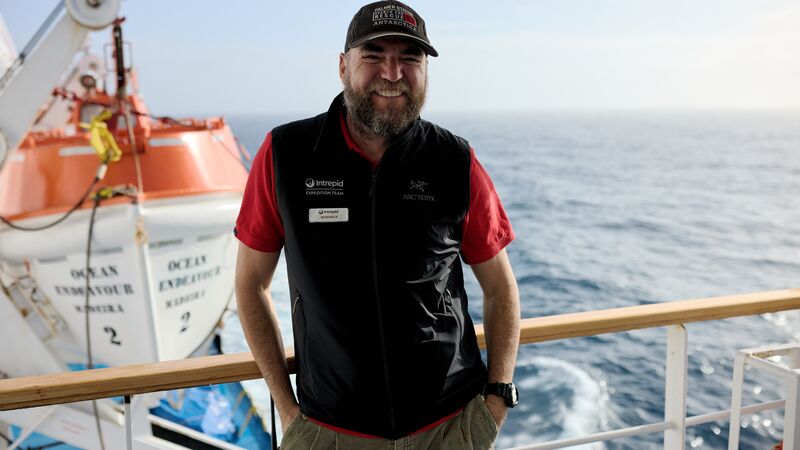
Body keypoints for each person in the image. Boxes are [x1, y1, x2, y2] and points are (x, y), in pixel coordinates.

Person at [234, 1, 520, 448]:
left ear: (425, 71)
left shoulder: (454, 160)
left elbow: (501, 286)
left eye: (410, 58)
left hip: (448, 427)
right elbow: (251, 283)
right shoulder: (285, 154)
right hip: (328, 431)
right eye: (373, 56)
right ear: (343, 66)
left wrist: (497, 400)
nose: (392, 73)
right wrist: (287, 409)